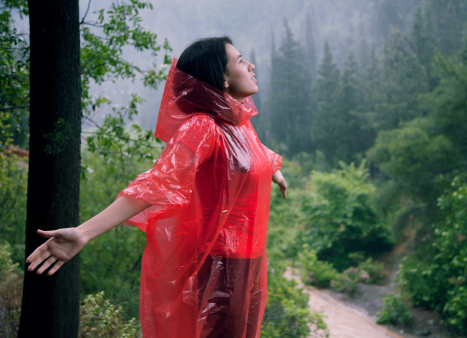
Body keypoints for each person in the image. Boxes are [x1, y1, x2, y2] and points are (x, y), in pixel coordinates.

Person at [26, 36, 287, 338]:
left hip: (250, 261)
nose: (251, 65)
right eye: (241, 61)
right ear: (222, 79)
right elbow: (156, 183)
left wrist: (275, 171)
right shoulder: (202, 126)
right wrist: (84, 232)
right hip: (220, 265)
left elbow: (255, 154)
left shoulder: (239, 125)